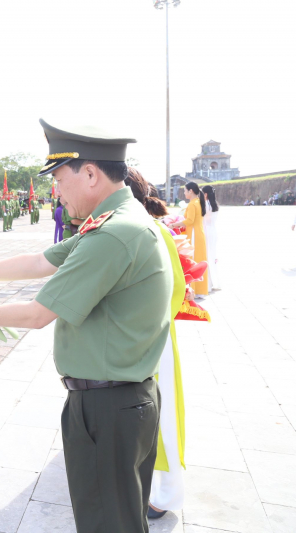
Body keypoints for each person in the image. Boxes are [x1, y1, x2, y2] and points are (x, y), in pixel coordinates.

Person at [0, 119, 173, 533]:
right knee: (119, 518)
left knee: (107, 524)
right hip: (122, 400)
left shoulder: (113, 233)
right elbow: (38, 262)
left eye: (60, 179)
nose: (56, 191)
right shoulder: (118, 218)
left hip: (109, 407)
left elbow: (37, 314)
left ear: (89, 173)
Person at [125, 168, 188, 519]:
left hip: (153, 337)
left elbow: (175, 289)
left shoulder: (153, 231)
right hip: (135, 339)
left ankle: (165, 494)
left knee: (163, 417)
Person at [169, 182, 208, 297]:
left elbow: (189, 220)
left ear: (191, 191)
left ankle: (194, 289)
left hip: (194, 234)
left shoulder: (192, 204)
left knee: (193, 260)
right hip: (199, 233)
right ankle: (200, 290)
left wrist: (174, 225)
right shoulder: (198, 201)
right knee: (199, 258)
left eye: (185, 191)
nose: (184, 193)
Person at [202, 185, 221, 292]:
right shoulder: (215, 204)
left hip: (206, 231)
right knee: (212, 255)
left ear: (206, 194)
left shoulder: (206, 204)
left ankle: (208, 283)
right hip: (213, 231)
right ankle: (215, 280)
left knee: (207, 255)